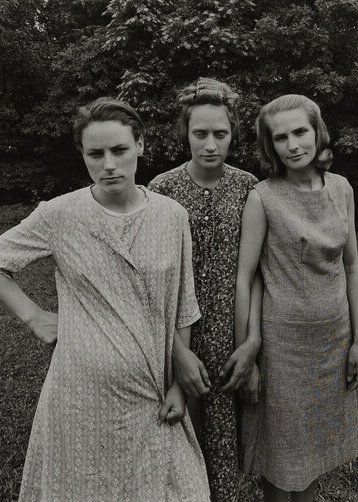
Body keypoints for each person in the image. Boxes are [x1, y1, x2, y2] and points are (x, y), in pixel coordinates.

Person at [0, 98, 210, 501]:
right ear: (83, 155)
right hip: (80, 395)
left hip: (151, 391)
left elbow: (183, 303)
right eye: (95, 154)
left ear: (140, 146)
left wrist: (178, 387)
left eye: (119, 150)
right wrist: (33, 317)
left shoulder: (172, 215)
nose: (109, 164)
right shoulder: (61, 214)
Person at [235, 94, 358, 502]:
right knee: (280, 460)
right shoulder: (263, 197)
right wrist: (248, 354)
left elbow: (352, 266)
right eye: (280, 138)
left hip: (334, 342)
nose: (292, 144)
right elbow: (245, 277)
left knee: (313, 454)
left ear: (317, 132)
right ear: (269, 145)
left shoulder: (342, 189)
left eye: (300, 132)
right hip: (282, 347)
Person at [148, 77, 261, 502]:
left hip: (232, 331)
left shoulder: (250, 186)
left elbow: (258, 273)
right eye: (200, 133)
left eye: (220, 133)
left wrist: (253, 342)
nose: (210, 143)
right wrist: (176, 351)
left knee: (222, 441)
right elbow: (153, 279)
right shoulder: (162, 189)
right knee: (174, 436)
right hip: (177, 333)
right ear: (185, 134)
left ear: (233, 134)